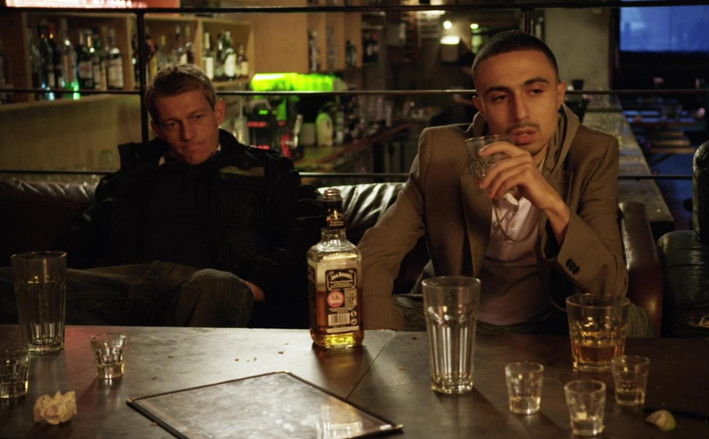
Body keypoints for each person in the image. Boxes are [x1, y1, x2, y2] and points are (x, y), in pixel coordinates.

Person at [358, 30, 652, 336]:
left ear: (559, 95)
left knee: (629, 324)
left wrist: (553, 205)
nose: (520, 113)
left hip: (551, 327)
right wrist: (384, 343)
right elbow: (374, 258)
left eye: (535, 91)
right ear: (481, 106)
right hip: (457, 322)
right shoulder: (442, 151)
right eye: (500, 97)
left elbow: (610, 288)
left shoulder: (592, 153)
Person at [0, 64, 322, 328]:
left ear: (219, 112)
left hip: (212, 288)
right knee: (14, 283)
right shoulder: (136, 176)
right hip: (134, 290)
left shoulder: (264, 169)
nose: (188, 134)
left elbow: (312, 223)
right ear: (158, 128)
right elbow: (83, 239)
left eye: (197, 117)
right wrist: (55, 275)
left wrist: (261, 282)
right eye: (172, 123)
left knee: (215, 285)